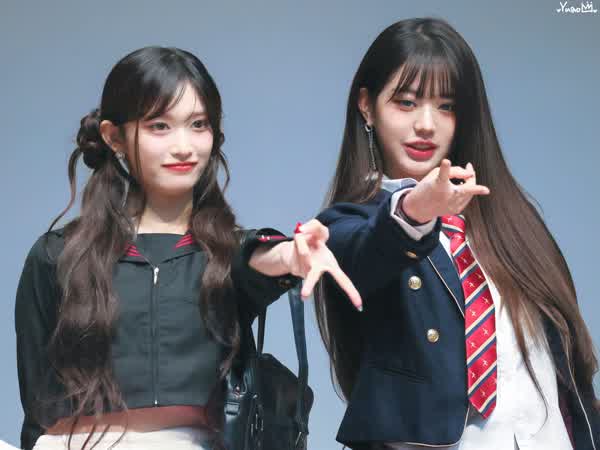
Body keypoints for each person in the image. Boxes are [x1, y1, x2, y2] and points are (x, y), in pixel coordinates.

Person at [15, 46, 361, 450]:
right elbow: (36, 408)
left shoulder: (226, 255)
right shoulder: (56, 257)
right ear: (114, 137)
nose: (184, 146)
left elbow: (260, 258)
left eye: (198, 125)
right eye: (160, 126)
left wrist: (291, 254)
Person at [314, 18, 599, 450]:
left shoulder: (514, 223)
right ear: (367, 106)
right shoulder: (347, 225)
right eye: (406, 102)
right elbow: (366, 255)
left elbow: (567, 370)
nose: (426, 124)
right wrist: (415, 212)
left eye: (446, 106)